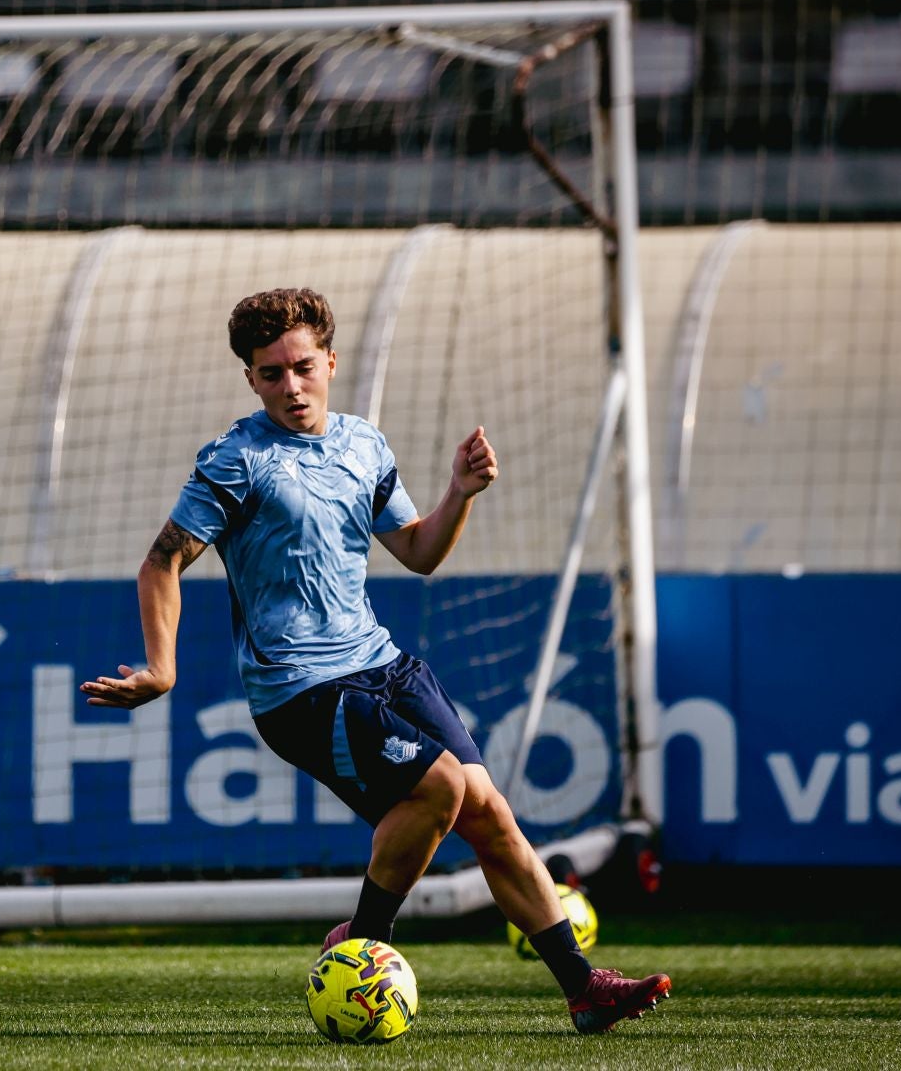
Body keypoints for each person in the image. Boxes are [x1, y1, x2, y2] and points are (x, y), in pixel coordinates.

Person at [81, 287, 670, 1035]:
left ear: (330, 360)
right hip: (300, 689)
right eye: (270, 374)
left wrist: (460, 493)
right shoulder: (238, 461)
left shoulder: (365, 445)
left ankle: (584, 989)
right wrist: (160, 668)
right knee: (441, 787)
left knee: (490, 815)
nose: (290, 387)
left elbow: (418, 551)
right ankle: (364, 942)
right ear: (252, 381)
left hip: (382, 663)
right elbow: (162, 563)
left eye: (301, 367)